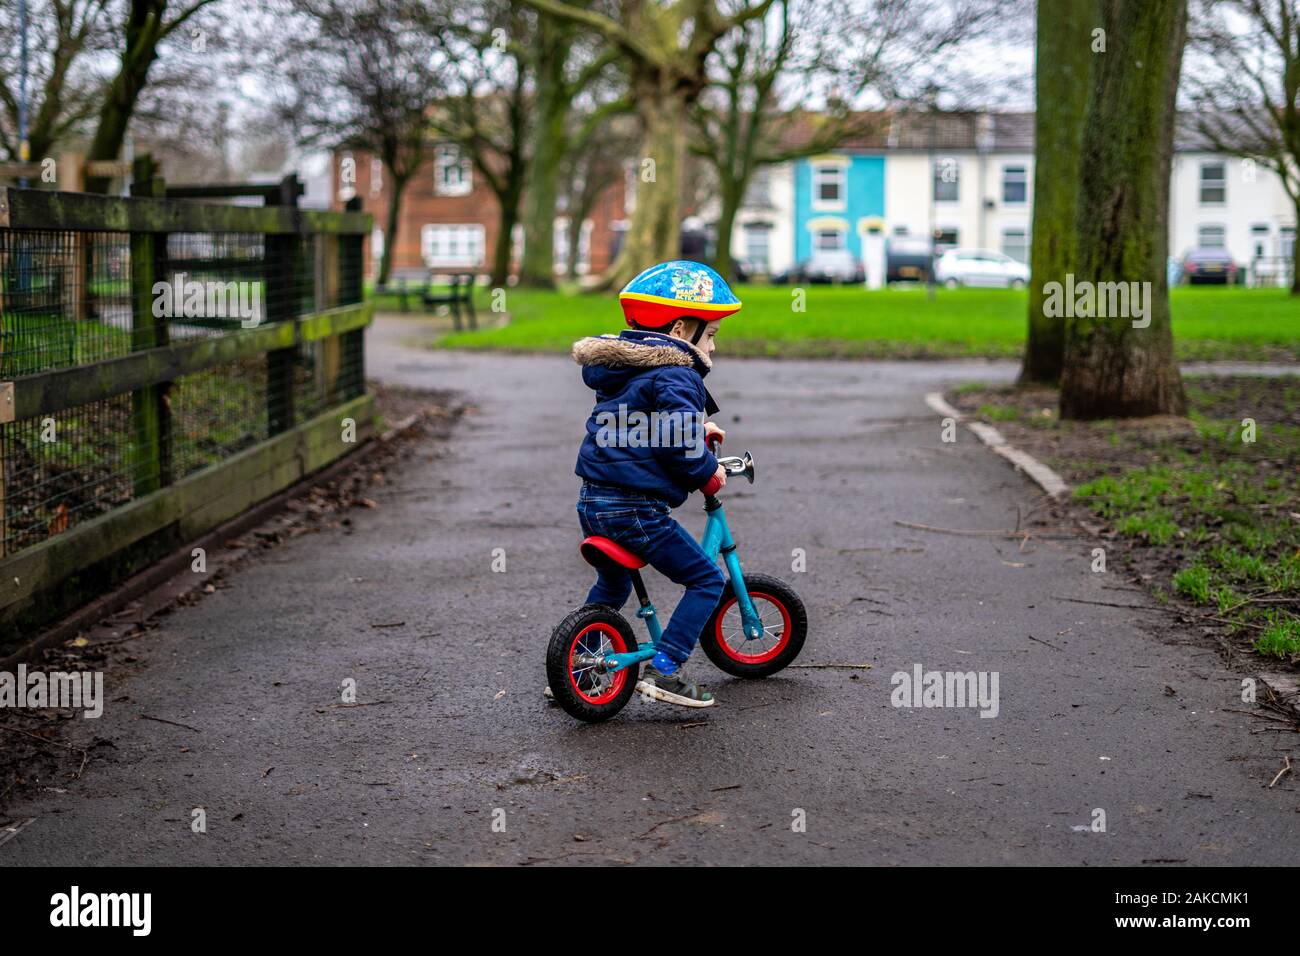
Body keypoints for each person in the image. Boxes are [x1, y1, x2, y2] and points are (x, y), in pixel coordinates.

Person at [569, 260, 741, 707]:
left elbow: (638, 422)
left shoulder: (623, 369)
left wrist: (697, 432)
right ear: (682, 329)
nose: (714, 346)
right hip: (634, 510)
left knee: (613, 585)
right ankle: (665, 670)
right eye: (712, 335)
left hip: (593, 502)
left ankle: (579, 671)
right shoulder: (678, 372)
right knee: (707, 581)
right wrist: (709, 471)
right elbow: (677, 447)